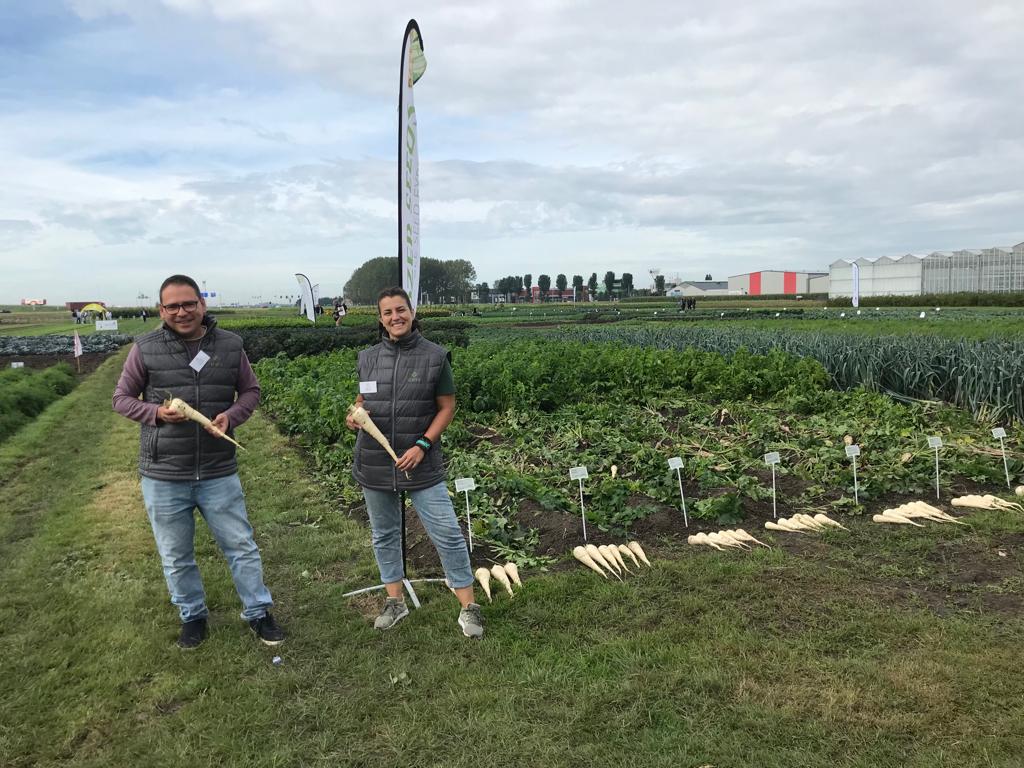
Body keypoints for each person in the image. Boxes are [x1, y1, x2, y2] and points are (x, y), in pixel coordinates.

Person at [112, 274, 284, 650]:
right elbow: (122, 398)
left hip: (217, 468)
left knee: (241, 545)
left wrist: (231, 416)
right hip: (165, 472)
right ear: (162, 310)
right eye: (172, 306)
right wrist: (156, 412)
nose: (182, 311)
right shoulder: (145, 347)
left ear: (201, 304)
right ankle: (192, 616)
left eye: (189, 303)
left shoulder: (229, 345)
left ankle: (258, 612)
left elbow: (251, 391)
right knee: (176, 555)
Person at [345, 286, 483, 639]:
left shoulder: (435, 356)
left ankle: (468, 607)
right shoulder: (368, 357)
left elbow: (447, 407)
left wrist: (423, 444)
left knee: (448, 534)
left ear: (412, 311)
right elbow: (363, 399)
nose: (396, 317)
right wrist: (354, 415)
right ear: (380, 319)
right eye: (388, 312)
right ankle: (395, 601)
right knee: (384, 534)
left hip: (419, 461)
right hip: (375, 461)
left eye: (401, 310)